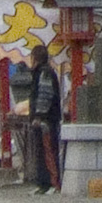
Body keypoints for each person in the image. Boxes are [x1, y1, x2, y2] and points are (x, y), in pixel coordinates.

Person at [23, 47, 64, 191]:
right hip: (44, 118)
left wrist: (39, 116)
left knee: (48, 150)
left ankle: (52, 182)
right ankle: (43, 183)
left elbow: (45, 95)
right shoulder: (41, 72)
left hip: (46, 120)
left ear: (34, 58)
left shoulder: (44, 73)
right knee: (41, 151)